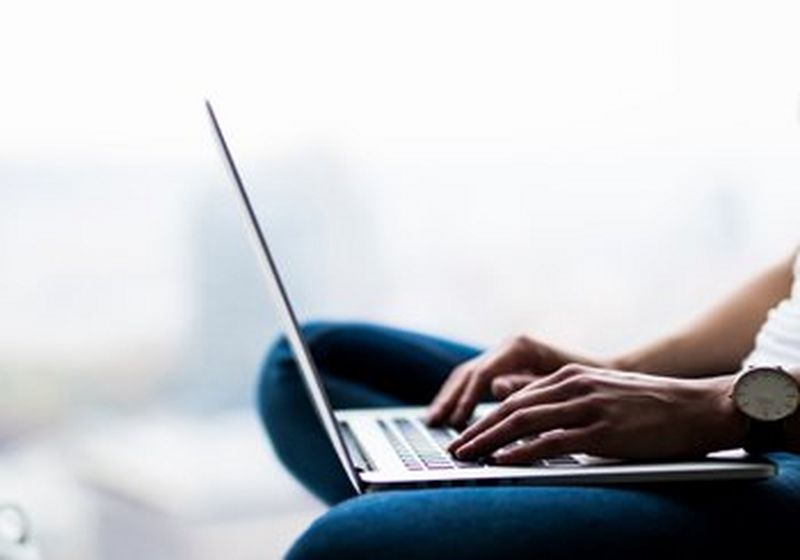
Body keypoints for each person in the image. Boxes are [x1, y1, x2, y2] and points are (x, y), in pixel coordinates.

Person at [258, 247, 800, 559]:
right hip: (749, 397)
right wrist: (625, 371)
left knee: (349, 547)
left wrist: (724, 409)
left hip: (776, 435)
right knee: (310, 365)